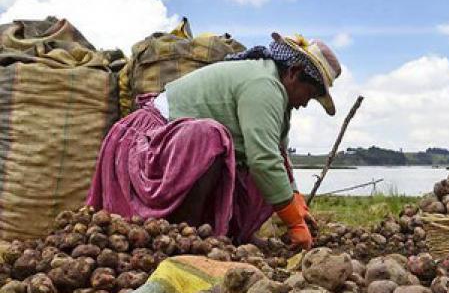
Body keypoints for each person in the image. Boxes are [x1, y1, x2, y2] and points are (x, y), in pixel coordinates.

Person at [86, 32, 342, 250]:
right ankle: (187, 235)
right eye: (310, 94)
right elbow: (263, 159)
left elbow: (277, 154)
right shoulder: (264, 85)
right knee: (211, 138)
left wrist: (296, 204)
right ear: (294, 73)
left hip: (175, 148)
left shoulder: (277, 92)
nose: (306, 103)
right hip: (149, 146)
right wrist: (293, 223)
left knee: (258, 165)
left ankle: (225, 233)